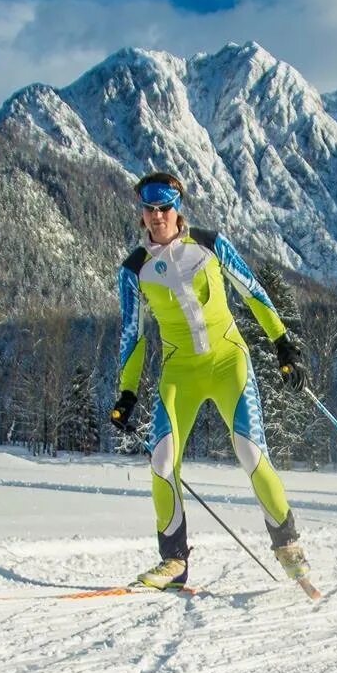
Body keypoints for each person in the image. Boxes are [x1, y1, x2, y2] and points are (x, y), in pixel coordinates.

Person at [109, 171, 310, 590]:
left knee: (250, 452)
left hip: (227, 361)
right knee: (162, 462)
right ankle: (174, 562)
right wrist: (127, 391)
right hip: (180, 372)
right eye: (149, 209)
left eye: (164, 207)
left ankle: (287, 544)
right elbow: (132, 334)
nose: (157, 215)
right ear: (142, 214)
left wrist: (283, 343)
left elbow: (253, 291)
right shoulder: (134, 270)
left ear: (178, 207)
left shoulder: (210, 244)